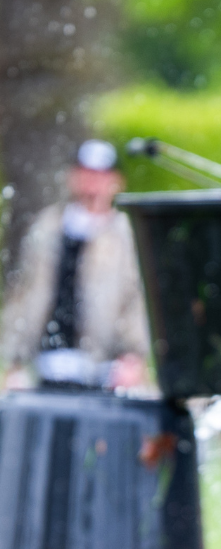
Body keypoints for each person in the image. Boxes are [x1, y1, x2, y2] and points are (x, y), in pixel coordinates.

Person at [1, 139, 150, 390]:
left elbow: (136, 296)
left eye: (101, 176)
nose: (93, 183)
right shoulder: (47, 228)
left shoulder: (126, 235)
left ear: (116, 181)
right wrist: (14, 357)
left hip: (104, 368)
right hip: (46, 364)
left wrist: (133, 355)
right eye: (86, 174)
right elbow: (24, 292)